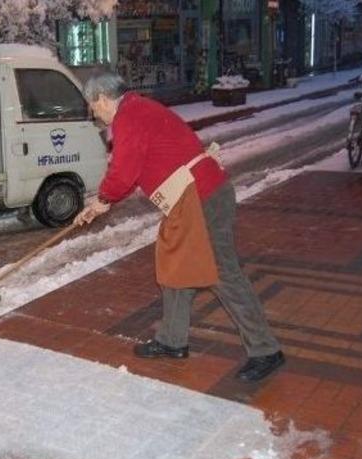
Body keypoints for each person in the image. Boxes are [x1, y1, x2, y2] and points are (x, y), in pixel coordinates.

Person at [74, 71, 284, 383]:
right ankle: (172, 341)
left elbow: (123, 171)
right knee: (175, 266)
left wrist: (103, 200)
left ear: (102, 99)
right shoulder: (138, 109)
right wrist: (102, 202)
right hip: (192, 200)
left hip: (203, 199)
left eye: (93, 107)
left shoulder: (129, 117)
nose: (95, 114)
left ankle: (266, 351)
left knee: (221, 273)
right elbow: (134, 168)